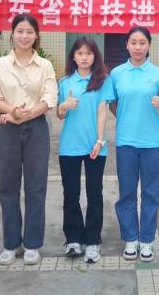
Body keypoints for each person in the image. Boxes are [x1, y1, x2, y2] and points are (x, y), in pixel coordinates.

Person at [0, 14, 58, 266]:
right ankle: (11, 243)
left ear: (36, 36)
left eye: (29, 32)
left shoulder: (45, 65)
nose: (24, 36)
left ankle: (33, 244)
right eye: (20, 31)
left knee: (36, 187)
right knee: (8, 186)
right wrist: (13, 112)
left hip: (37, 128)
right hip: (7, 128)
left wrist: (27, 114)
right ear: (12, 34)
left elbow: (50, 97)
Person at [110, 27, 159, 262]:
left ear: (149, 46)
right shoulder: (117, 73)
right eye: (133, 42)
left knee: (151, 193)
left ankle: (146, 240)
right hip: (126, 141)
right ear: (127, 44)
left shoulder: (158, 74)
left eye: (142, 43)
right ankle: (130, 238)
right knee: (126, 192)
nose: (137, 47)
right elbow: (112, 102)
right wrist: (126, 117)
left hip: (152, 142)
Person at [56, 37, 115, 264]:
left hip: (95, 146)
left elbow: (102, 110)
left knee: (94, 194)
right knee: (71, 194)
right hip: (69, 146)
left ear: (94, 57)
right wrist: (64, 106)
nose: (84, 58)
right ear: (73, 56)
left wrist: (99, 140)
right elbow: (60, 114)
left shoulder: (103, 80)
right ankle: (73, 238)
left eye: (88, 54)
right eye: (80, 53)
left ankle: (92, 240)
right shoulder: (64, 82)